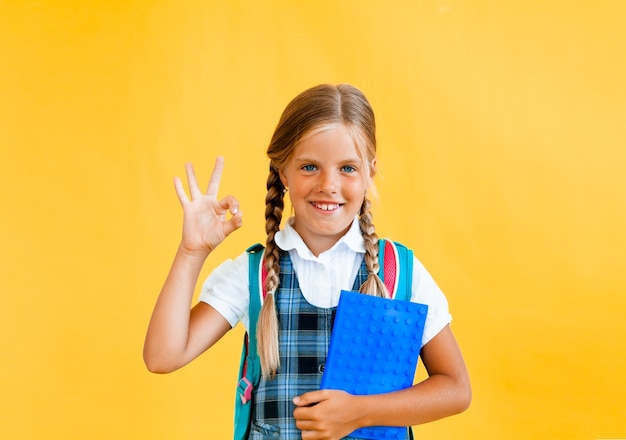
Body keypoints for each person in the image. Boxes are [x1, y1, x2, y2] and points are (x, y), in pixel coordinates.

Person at [143, 83, 471, 439]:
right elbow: (162, 357)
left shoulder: (398, 271)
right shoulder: (253, 274)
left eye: (347, 168)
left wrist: (360, 413)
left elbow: (455, 388)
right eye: (310, 167)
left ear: (369, 173)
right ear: (284, 173)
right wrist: (192, 252)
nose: (328, 185)